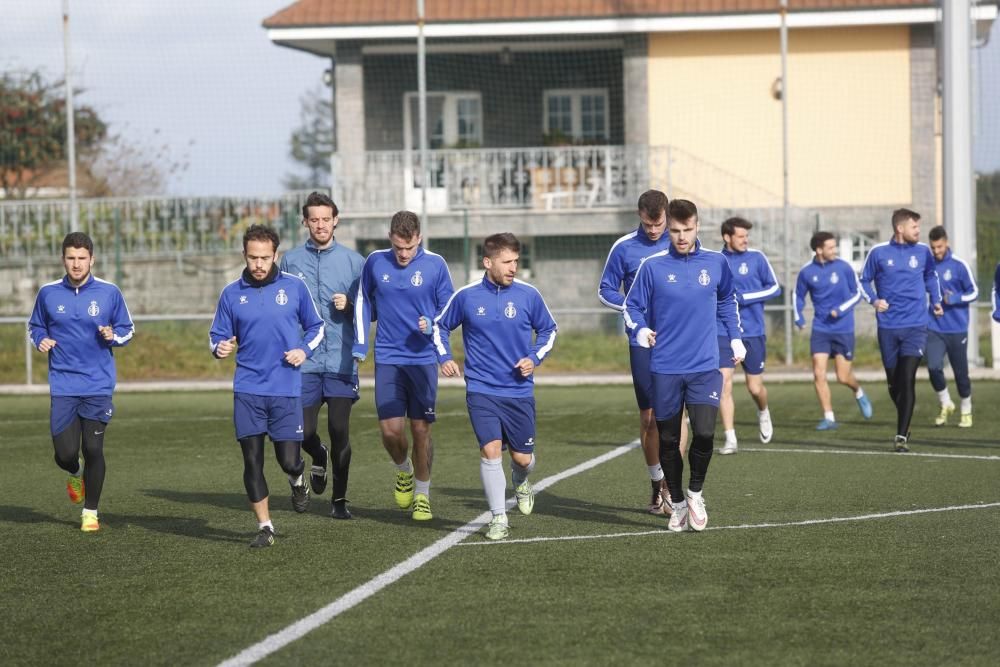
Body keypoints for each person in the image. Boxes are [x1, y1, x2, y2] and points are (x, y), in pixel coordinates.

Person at [624, 199, 744, 533]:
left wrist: (735, 338)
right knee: (667, 439)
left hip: (705, 365)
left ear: (697, 226)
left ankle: (694, 494)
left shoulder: (717, 263)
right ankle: (676, 502)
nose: (680, 236)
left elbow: (726, 301)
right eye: (674, 231)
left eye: (686, 230)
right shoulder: (653, 266)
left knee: (705, 434)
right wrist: (641, 328)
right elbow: (631, 307)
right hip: (664, 367)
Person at [432, 233, 558, 540]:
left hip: (518, 390)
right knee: (490, 452)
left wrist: (533, 358)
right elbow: (439, 325)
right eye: (507, 262)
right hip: (481, 388)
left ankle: (521, 479)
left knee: (521, 458)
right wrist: (444, 357)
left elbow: (549, 330)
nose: (513, 267)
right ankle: (498, 517)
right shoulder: (467, 296)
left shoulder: (529, 295)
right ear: (488, 262)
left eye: (516, 261)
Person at [210, 224, 325, 547]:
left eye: (264, 257)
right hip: (247, 388)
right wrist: (219, 347)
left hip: (285, 388)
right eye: (252, 258)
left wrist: (304, 350)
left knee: (288, 459)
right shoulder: (232, 293)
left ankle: (297, 478)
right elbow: (217, 334)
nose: (258, 264)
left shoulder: (295, 288)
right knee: (252, 460)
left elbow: (317, 327)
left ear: (276, 255)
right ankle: (265, 527)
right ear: (244, 256)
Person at [28, 232, 135, 533]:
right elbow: (35, 326)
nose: (76, 264)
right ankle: (75, 473)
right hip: (62, 384)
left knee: (93, 448)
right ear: (63, 259)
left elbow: (128, 329)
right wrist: (40, 339)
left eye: (82, 258)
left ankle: (90, 512)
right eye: (71, 258)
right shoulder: (48, 293)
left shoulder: (109, 292)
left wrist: (113, 336)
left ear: (92, 259)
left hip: (98, 385)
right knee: (65, 453)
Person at [353, 211, 454, 521]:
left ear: (419, 239)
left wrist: (431, 328)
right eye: (398, 248)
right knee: (390, 432)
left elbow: (448, 310)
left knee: (421, 429)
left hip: (422, 360)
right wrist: (360, 343)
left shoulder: (436, 265)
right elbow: (362, 300)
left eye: (409, 248)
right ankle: (403, 470)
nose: (403, 254)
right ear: (390, 239)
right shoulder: (374, 262)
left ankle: (422, 495)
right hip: (388, 358)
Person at [280, 192, 365, 518]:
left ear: (335, 221)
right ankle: (318, 455)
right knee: (303, 430)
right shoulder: (290, 261)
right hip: (306, 361)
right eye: (313, 219)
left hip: (342, 361)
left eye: (325, 219)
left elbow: (370, 311)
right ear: (305, 222)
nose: (320, 225)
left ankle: (339, 501)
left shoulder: (354, 262)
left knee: (340, 428)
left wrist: (352, 304)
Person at [598, 189, 675, 515]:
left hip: (678, 339)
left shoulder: (682, 242)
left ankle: (673, 487)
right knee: (649, 419)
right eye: (648, 224)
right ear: (639, 216)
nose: (654, 230)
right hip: (641, 340)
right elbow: (604, 290)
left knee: (674, 417)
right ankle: (656, 480)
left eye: (658, 224)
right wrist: (634, 308)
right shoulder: (624, 247)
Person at [859, 208, 943, 452]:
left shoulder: (923, 252)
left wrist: (936, 300)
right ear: (900, 229)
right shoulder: (878, 253)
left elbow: (931, 277)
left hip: (916, 326)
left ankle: (901, 436)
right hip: (888, 327)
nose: (919, 231)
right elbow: (863, 280)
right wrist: (874, 300)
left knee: (907, 379)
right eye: (914, 227)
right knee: (894, 385)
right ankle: (905, 421)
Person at [793, 231, 874, 430]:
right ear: (819, 250)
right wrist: (799, 316)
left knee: (842, 376)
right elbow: (798, 296)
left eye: (834, 246)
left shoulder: (844, 267)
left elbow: (858, 294)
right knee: (819, 374)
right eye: (830, 247)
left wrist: (841, 309)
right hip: (821, 328)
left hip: (843, 328)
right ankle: (829, 417)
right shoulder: (806, 272)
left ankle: (858, 392)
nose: (834, 250)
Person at [717, 217, 781, 454]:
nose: (746, 240)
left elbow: (775, 287)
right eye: (741, 236)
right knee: (724, 384)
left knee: (754, 388)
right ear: (727, 237)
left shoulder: (757, 258)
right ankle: (730, 438)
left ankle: (763, 411)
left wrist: (746, 297)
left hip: (753, 331)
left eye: (746, 236)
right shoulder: (717, 260)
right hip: (723, 330)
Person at [925, 225, 978, 428]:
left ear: (946, 242)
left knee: (960, 374)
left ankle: (966, 409)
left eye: (939, 246)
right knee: (933, 367)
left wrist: (955, 298)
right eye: (933, 247)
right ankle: (946, 402)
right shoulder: (928, 266)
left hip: (956, 328)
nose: (936, 251)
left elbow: (974, 292)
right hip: (934, 327)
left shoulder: (959, 265)